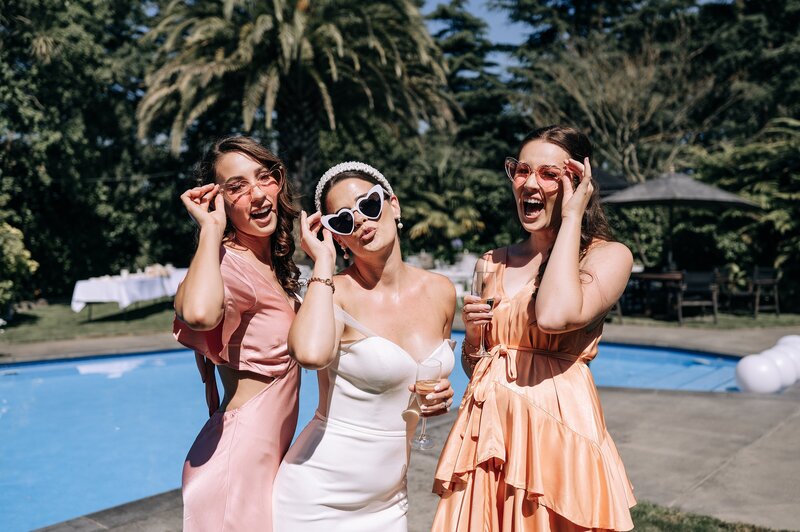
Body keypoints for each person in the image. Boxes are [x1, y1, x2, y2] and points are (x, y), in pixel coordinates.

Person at [432, 125, 636, 531]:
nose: (529, 183)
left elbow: (555, 316)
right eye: (522, 170)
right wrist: (473, 339)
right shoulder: (490, 262)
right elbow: (479, 368)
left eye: (549, 174)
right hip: (489, 432)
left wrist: (573, 215)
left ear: (578, 183)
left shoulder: (609, 257)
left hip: (557, 429)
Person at [273, 162, 456, 531]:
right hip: (317, 497)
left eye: (368, 205)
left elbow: (417, 380)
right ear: (337, 238)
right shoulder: (333, 293)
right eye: (342, 221)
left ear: (394, 205)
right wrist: (321, 262)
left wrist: (437, 399)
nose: (360, 221)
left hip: (389, 501)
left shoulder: (441, 291)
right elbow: (309, 354)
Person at [172, 136, 302, 532]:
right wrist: (210, 229)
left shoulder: (269, 264)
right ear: (220, 199)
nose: (258, 194)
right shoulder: (228, 264)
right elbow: (197, 313)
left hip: (261, 459)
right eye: (237, 186)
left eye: (265, 177)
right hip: (237, 465)